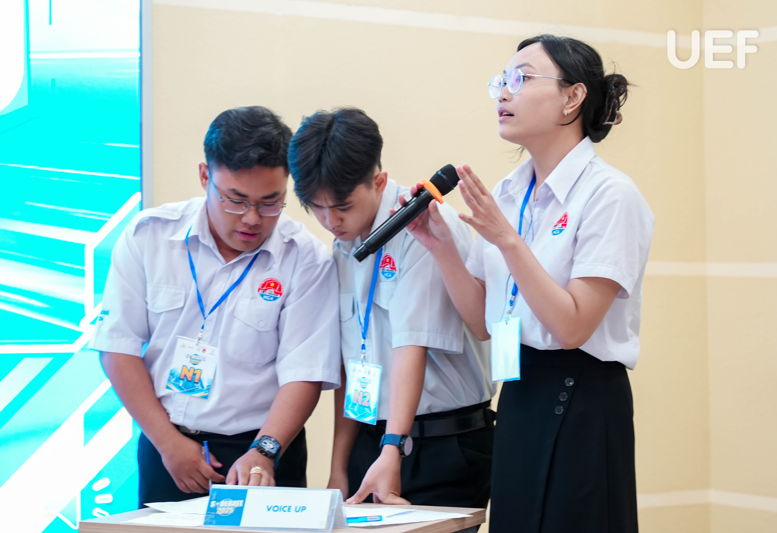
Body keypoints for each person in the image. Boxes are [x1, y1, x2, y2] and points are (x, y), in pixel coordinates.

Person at [405, 35, 654, 532]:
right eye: (501, 81)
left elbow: (573, 327)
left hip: (582, 397)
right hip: (519, 393)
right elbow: (483, 323)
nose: (503, 93)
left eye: (520, 79)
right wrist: (441, 246)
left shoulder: (610, 195)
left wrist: (507, 241)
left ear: (572, 97)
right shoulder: (508, 193)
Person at [90, 106, 340, 506]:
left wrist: (265, 451)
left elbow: (305, 372)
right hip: (168, 446)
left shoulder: (305, 258)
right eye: (236, 200)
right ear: (205, 176)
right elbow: (118, 348)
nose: (252, 218)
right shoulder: (149, 237)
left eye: (271, 202)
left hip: (265, 451)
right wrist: (168, 444)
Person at [287, 108, 494, 510]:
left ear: (378, 181)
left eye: (342, 206)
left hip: (441, 443)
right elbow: (354, 368)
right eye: (316, 207)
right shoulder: (345, 242)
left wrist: (393, 447)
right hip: (376, 441)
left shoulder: (423, 225)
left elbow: (410, 348)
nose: (330, 221)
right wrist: (339, 467)